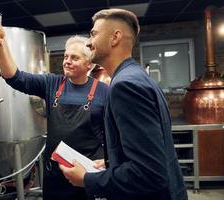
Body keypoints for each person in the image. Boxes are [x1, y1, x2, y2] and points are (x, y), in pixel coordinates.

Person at [59, 8, 188, 200]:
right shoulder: (138, 76)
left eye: (94, 34)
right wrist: (114, 162)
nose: (88, 42)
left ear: (115, 38)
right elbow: (148, 152)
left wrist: (87, 180)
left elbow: (149, 174)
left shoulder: (125, 86)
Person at [0, 34, 109, 200]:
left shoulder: (104, 91)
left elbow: (114, 133)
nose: (67, 61)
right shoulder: (51, 84)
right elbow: (14, 77)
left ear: (89, 64)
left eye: (74, 58)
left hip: (87, 176)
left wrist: (108, 161)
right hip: (55, 177)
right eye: (66, 56)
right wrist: (0, 44)